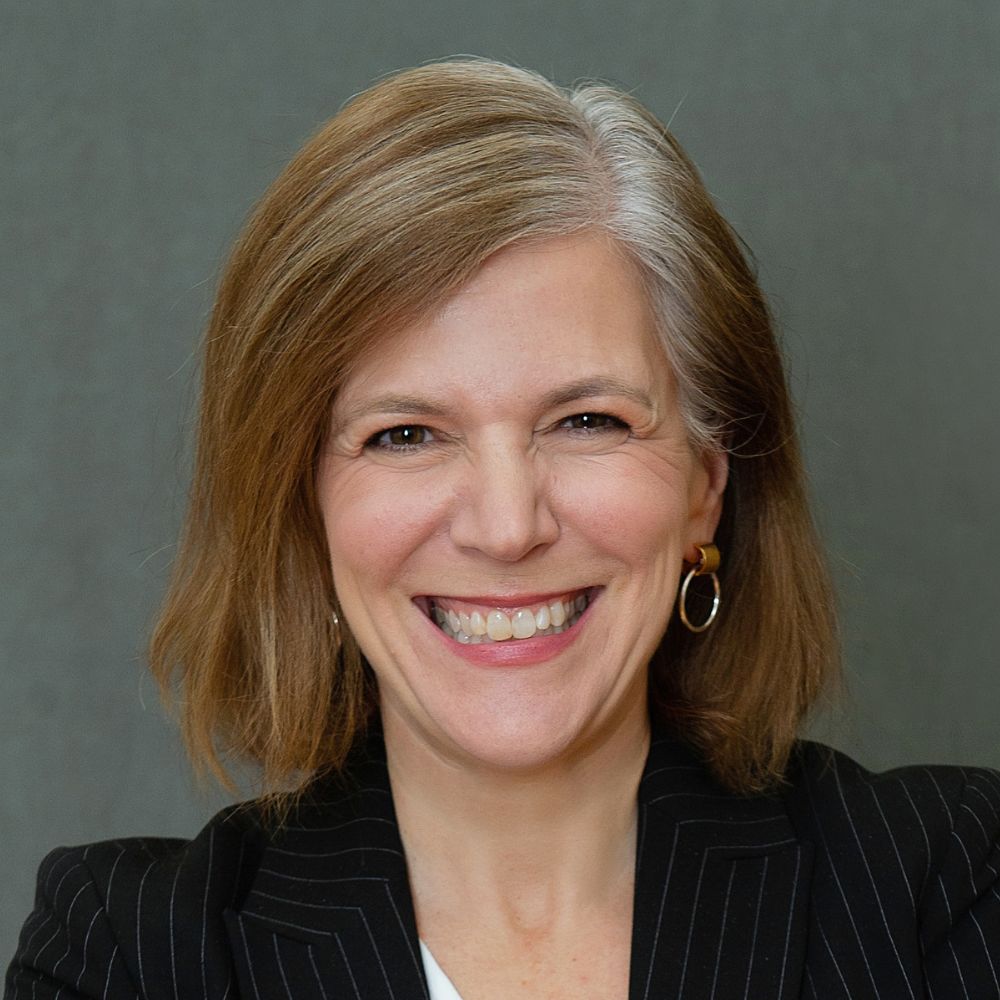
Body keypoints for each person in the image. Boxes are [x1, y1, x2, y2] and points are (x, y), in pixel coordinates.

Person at [6, 57, 1000, 1000]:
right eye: (405, 434)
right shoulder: (132, 953)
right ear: (306, 510)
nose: (506, 524)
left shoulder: (944, 889)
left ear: (704, 486)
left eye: (586, 421)